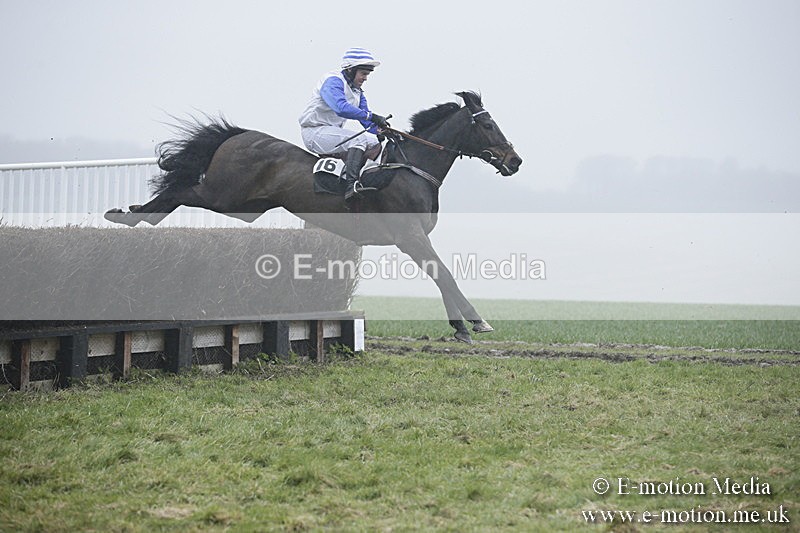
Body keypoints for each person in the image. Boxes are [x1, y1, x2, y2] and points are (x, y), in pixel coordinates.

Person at [299, 47, 390, 203]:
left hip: (331, 133)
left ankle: (361, 178)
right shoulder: (332, 81)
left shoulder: (358, 92)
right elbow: (340, 107)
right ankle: (351, 185)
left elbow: (366, 118)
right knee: (359, 140)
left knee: (374, 141)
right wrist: (372, 117)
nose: (365, 78)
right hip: (314, 132)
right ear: (350, 70)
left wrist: (382, 130)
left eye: (367, 74)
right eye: (363, 74)